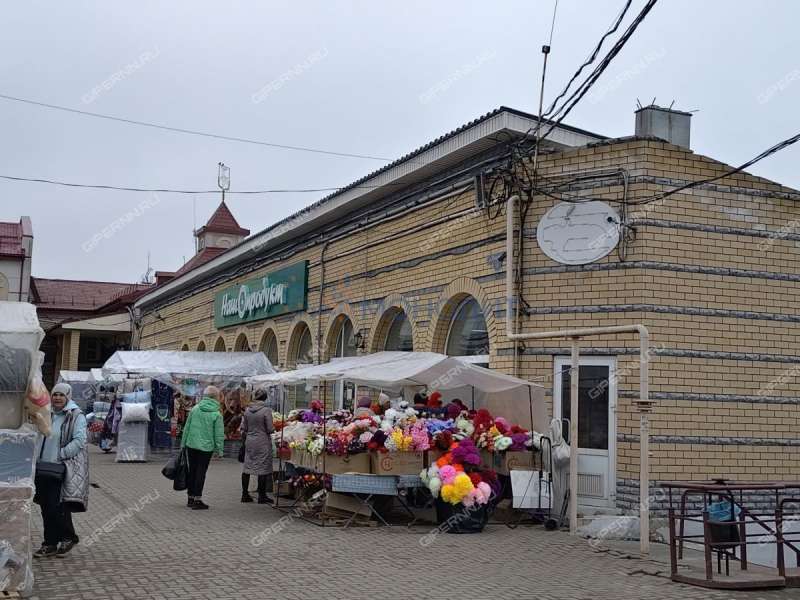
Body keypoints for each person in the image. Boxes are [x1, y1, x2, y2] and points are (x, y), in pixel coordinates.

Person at [34, 383, 88, 558]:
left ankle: (63, 538)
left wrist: (61, 454)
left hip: (61, 467)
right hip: (42, 466)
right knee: (45, 506)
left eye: (61, 395)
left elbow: (79, 440)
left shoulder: (76, 415)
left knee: (57, 505)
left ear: (68, 397)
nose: (57, 397)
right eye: (55, 394)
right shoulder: (46, 413)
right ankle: (52, 542)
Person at [181, 385, 224, 510]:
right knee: (201, 472)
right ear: (215, 397)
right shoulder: (217, 414)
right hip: (206, 448)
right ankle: (197, 499)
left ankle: (190, 497)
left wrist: (183, 444)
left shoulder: (195, 409)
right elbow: (219, 435)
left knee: (192, 471)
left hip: (191, 444)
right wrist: (219, 450)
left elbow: (187, 428)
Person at [240, 389, 275, 504]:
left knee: (247, 467)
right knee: (263, 467)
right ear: (265, 398)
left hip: (250, 441)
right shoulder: (266, 410)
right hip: (262, 441)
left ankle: (245, 494)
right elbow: (270, 429)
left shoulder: (247, 410)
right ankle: (262, 496)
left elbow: (244, 428)